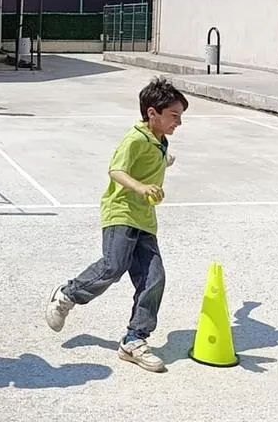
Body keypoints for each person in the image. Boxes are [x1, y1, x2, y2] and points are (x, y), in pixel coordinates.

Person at [43, 77, 187, 373]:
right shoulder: (135, 139)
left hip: (145, 219)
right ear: (152, 113)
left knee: (154, 278)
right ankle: (68, 294)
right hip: (121, 212)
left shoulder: (159, 140)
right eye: (174, 115)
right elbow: (116, 170)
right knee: (114, 265)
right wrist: (141, 187)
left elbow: (155, 158)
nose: (179, 122)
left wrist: (166, 160)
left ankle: (134, 340)